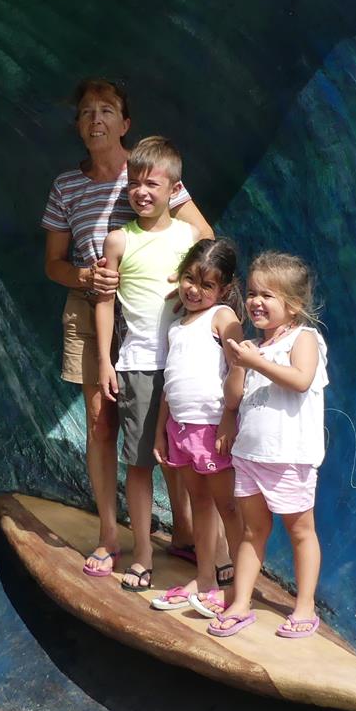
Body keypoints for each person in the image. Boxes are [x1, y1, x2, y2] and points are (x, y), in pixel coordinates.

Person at [41, 80, 209, 572]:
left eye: (107, 110)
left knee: (167, 415)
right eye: (87, 112)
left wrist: (180, 284)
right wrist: (83, 274)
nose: (96, 119)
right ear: (77, 125)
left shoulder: (148, 171)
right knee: (100, 420)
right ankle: (110, 533)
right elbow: (53, 262)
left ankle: (182, 529)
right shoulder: (66, 187)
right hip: (91, 306)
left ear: (125, 122)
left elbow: (203, 236)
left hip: (153, 311)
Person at [92, 136, 204, 591]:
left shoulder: (190, 238)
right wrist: (105, 361)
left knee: (193, 462)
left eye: (152, 184)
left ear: (173, 188)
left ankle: (204, 553)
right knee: (140, 464)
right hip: (138, 365)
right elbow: (103, 304)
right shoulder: (118, 239)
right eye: (134, 183)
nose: (142, 191)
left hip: (185, 368)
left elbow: (208, 287)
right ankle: (141, 552)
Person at [208, 252, 329, 640]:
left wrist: (256, 362)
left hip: (289, 458)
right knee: (250, 531)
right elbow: (234, 396)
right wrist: (239, 364)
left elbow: (300, 380)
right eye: (253, 293)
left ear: (292, 306)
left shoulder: (303, 338)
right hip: (251, 457)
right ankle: (241, 603)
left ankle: (305, 607)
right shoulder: (252, 346)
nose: (256, 301)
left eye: (268, 296)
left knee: (300, 532)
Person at [150, 238, 245, 617]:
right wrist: (161, 430)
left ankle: (240, 586)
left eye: (207, 285)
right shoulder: (177, 326)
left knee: (228, 508)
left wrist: (229, 417)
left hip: (212, 431)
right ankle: (205, 579)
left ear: (223, 290)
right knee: (200, 504)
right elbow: (169, 388)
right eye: (190, 278)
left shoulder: (223, 317)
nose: (195, 289)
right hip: (181, 430)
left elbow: (240, 366)